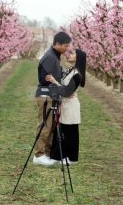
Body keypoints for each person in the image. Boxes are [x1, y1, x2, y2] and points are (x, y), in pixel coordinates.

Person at [33, 31, 72, 166]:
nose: (67, 49)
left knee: (50, 126)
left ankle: (47, 153)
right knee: (45, 125)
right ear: (57, 44)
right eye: (65, 46)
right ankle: (38, 155)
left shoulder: (55, 56)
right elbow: (46, 79)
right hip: (45, 96)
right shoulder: (50, 57)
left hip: (51, 96)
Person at [46, 49, 87, 165]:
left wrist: (55, 82)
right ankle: (59, 156)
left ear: (78, 58)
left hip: (71, 106)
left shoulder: (77, 75)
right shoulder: (71, 70)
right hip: (64, 104)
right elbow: (65, 88)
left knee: (70, 132)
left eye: (73, 53)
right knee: (62, 130)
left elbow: (67, 92)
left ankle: (71, 158)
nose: (70, 54)